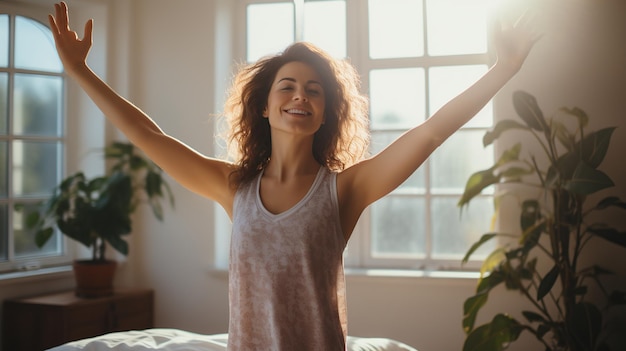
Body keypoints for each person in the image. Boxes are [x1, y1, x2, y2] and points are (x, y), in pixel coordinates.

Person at [48, 2, 539, 350]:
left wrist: (503, 69)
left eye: (314, 90)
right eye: (287, 86)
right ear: (264, 106)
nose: (300, 96)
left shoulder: (345, 189)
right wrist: (79, 70)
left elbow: (430, 134)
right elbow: (148, 136)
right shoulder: (233, 187)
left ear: (326, 113)